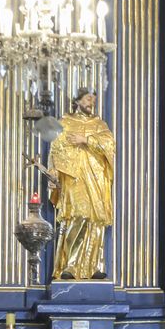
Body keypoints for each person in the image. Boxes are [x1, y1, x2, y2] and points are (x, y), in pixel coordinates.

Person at [48, 88, 116, 280]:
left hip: (96, 178)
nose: (91, 102)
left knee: (96, 221)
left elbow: (110, 145)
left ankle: (92, 266)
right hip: (74, 178)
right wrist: (54, 173)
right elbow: (56, 149)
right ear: (77, 100)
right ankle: (70, 265)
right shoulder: (65, 123)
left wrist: (86, 140)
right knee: (78, 216)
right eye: (87, 99)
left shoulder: (99, 124)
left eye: (93, 99)